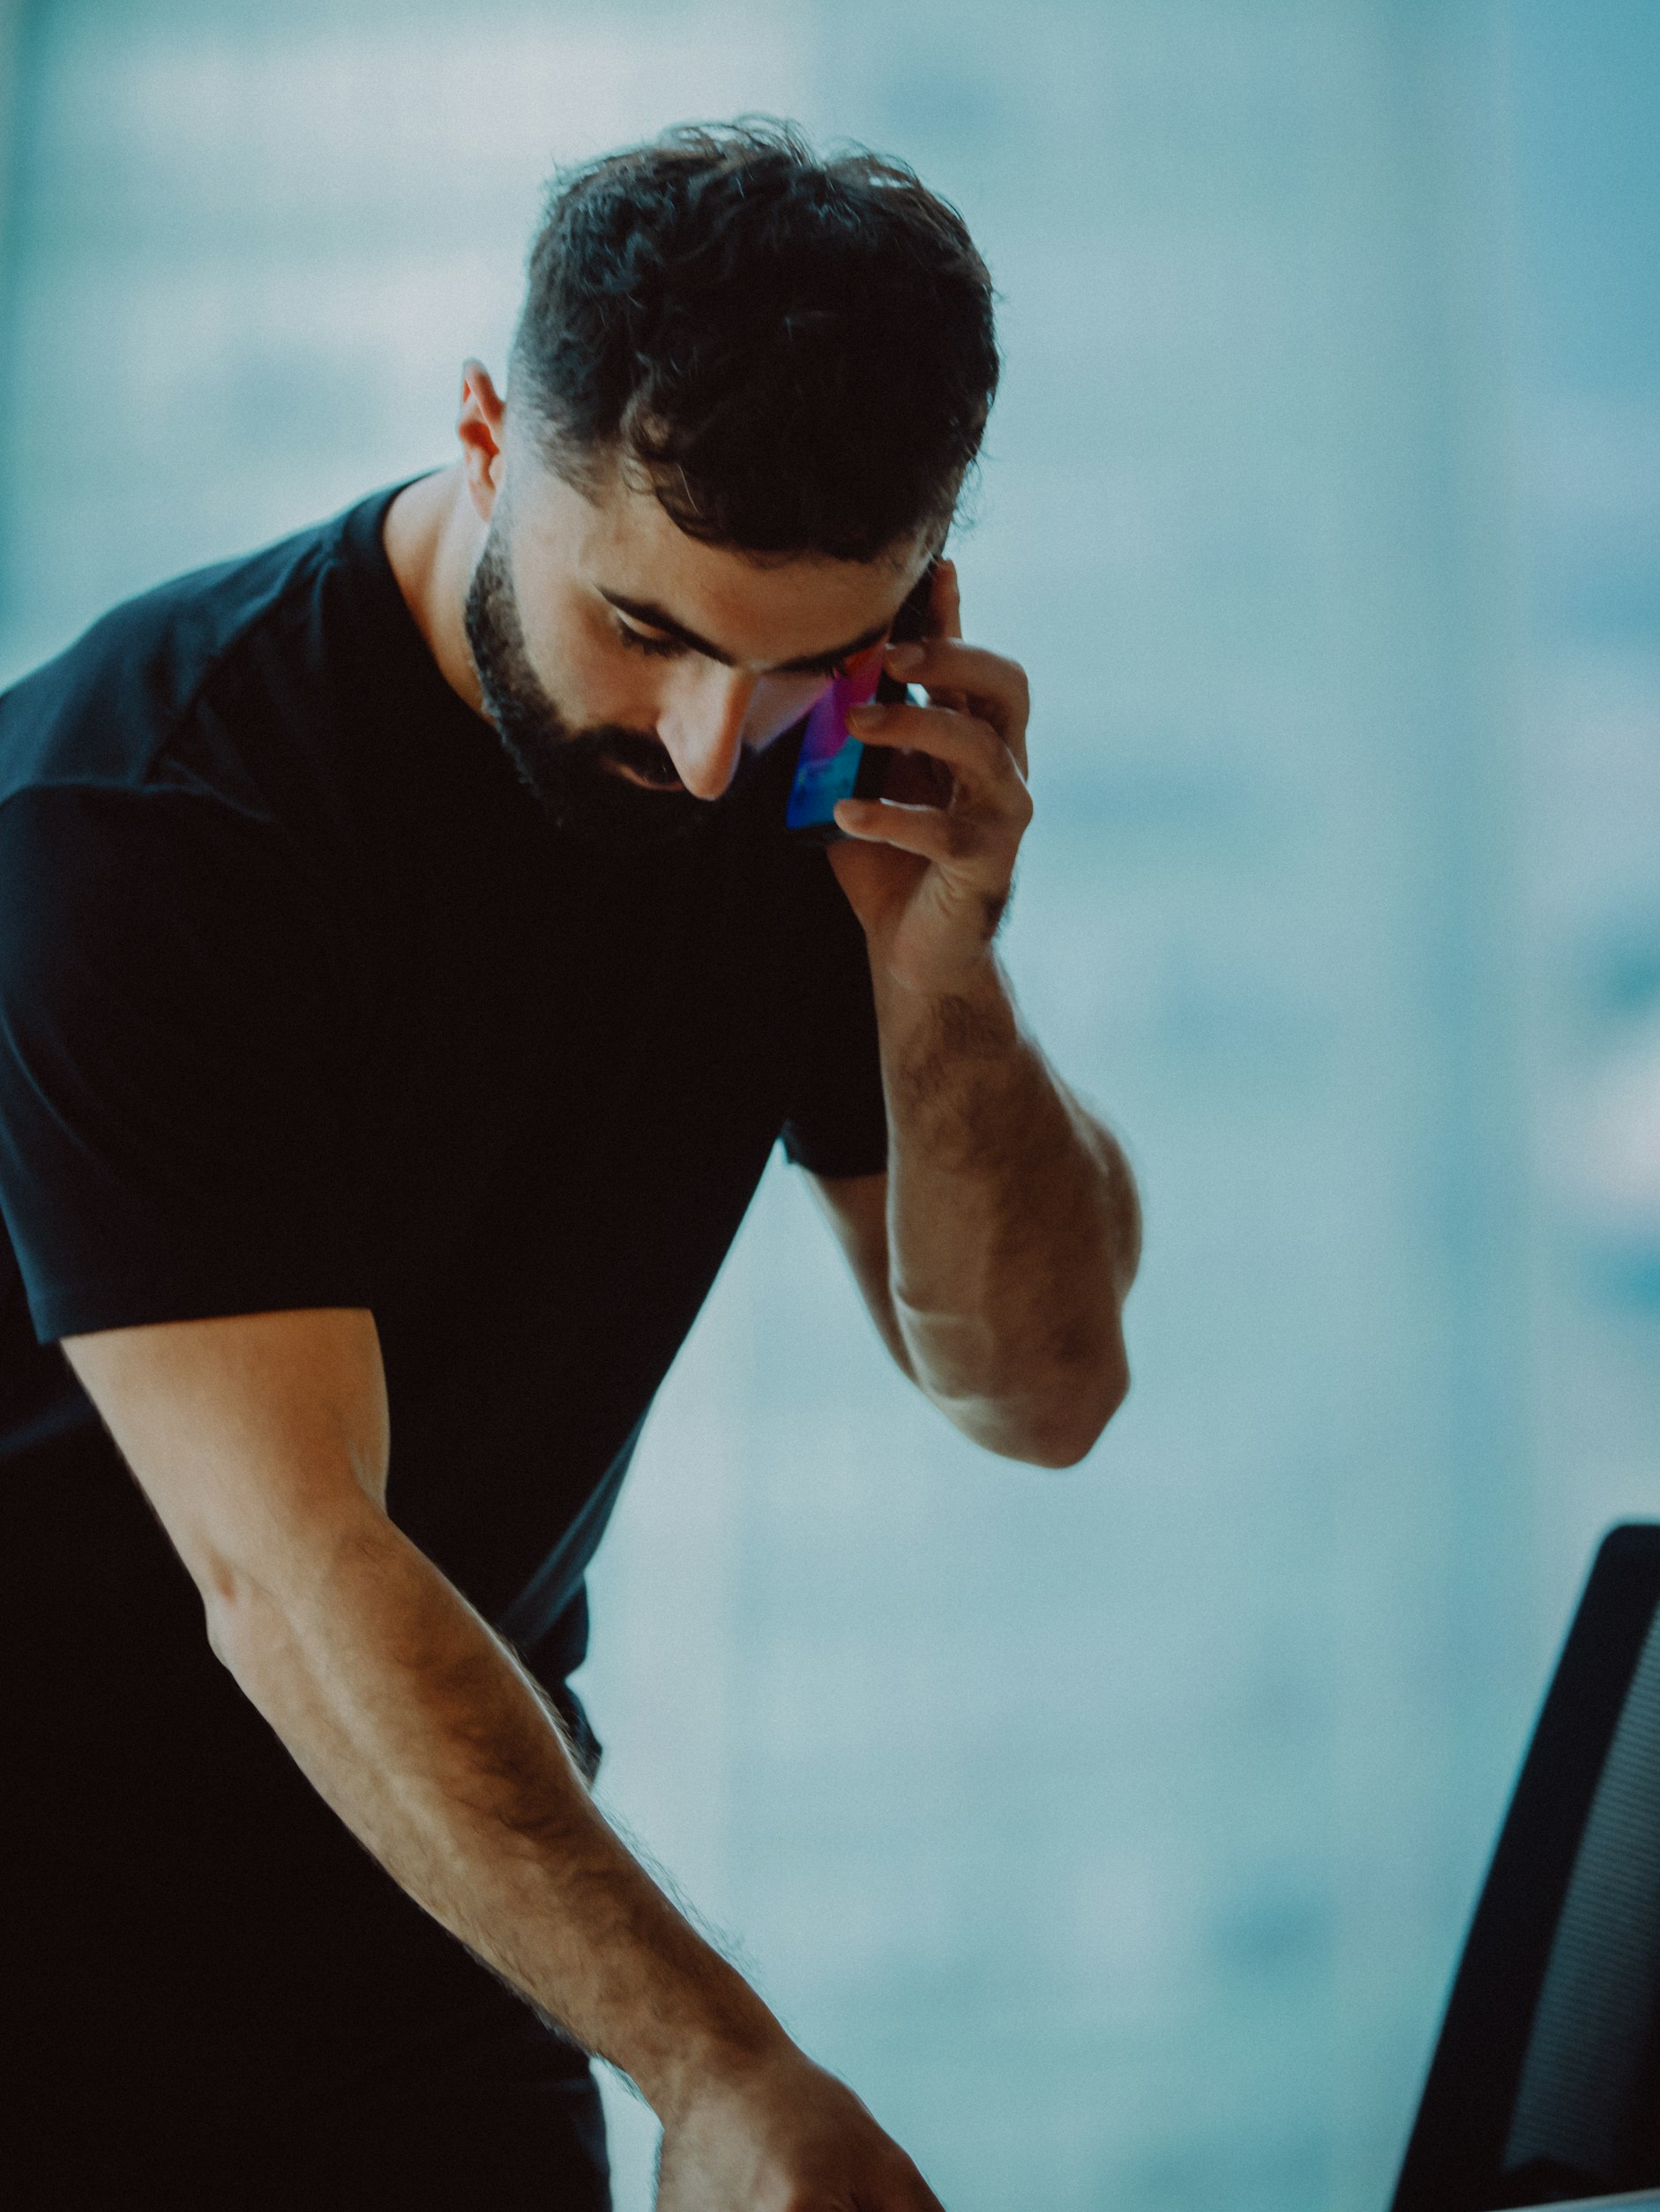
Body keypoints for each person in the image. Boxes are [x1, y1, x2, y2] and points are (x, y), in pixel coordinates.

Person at [0, 123, 1140, 2208]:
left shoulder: (822, 795)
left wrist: (936, 971)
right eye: (647, 631)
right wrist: (720, 2072)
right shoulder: (142, 821)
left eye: (800, 659)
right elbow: (287, 1570)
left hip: (431, 1900)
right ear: (483, 432)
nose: (712, 745)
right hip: (47, 1936)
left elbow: (1037, 1393)